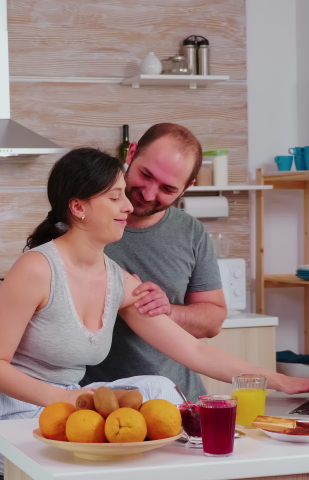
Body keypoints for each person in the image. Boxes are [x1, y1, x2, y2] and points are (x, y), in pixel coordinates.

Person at [0, 147, 309, 475]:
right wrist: (68, 401)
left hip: (70, 410)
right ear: (78, 207)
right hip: (10, 421)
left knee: (159, 387)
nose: (129, 206)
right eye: (115, 197)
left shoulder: (117, 279)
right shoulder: (36, 269)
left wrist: (282, 381)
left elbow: (193, 350)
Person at [83, 123, 225, 402]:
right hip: (99, 404)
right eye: (145, 175)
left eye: (167, 188)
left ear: (187, 188)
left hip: (179, 400)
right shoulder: (84, 222)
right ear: (131, 153)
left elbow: (213, 320)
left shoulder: (191, 232)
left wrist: (166, 311)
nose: (148, 194)